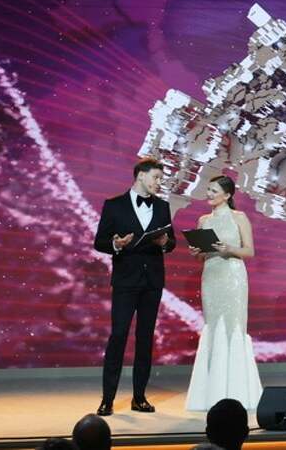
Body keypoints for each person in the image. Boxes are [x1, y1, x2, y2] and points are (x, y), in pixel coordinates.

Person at [93, 158, 176, 416]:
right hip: (126, 281)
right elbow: (100, 241)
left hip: (152, 282)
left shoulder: (162, 206)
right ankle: (107, 399)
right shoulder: (114, 205)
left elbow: (171, 242)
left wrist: (164, 243)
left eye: (161, 179)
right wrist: (116, 244)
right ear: (140, 175)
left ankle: (139, 397)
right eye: (156, 177)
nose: (159, 183)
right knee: (118, 336)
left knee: (145, 338)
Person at [185, 175, 263, 411]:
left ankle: (238, 392)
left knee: (233, 327)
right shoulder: (203, 220)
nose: (208, 194)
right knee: (213, 328)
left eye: (214, 190)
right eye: (208, 189)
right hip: (211, 277)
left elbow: (249, 251)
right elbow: (202, 256)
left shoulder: (239, 217)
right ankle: (211, 393)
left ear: (227, 195)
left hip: (233, 276)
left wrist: (229, 248)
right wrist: (197, 252)